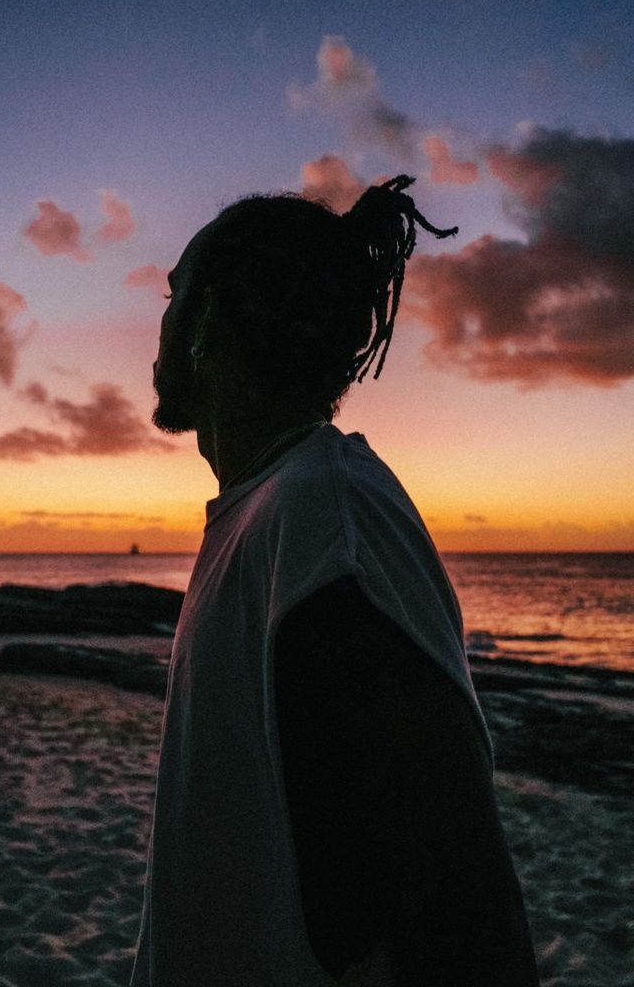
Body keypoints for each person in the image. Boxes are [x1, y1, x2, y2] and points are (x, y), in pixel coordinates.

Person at [130, 177, 540, 986]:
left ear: (208, 320)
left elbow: (459, 901)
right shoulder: (271, 510)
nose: (164, 322)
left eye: (175, 297)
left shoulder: (328, 522)